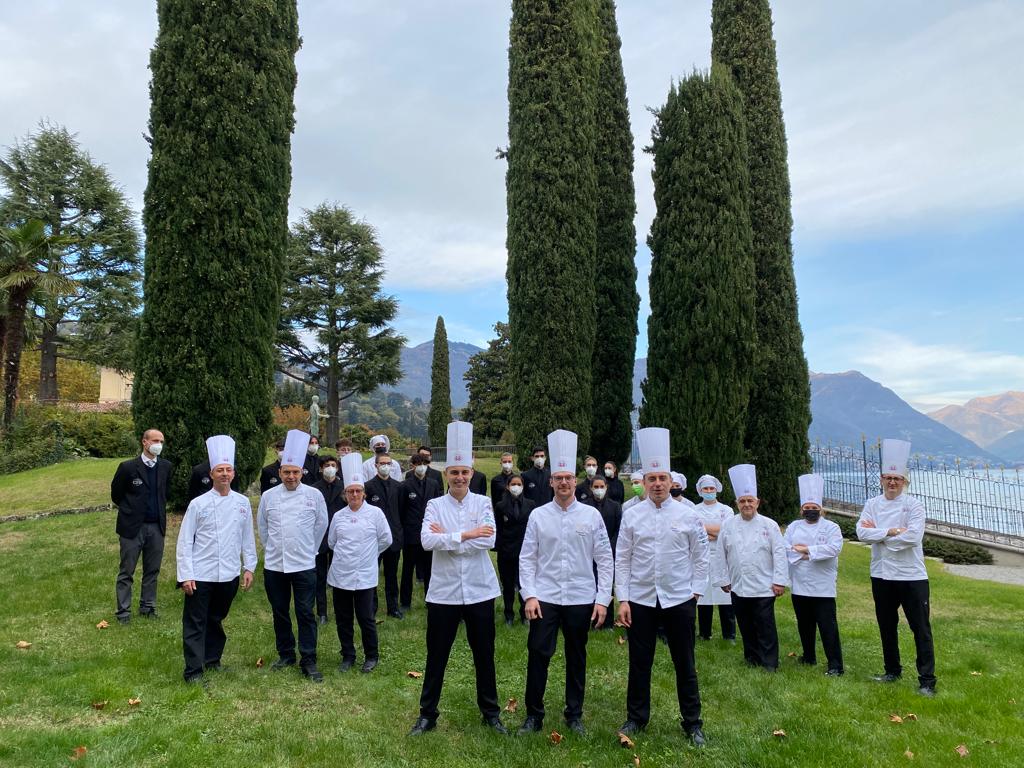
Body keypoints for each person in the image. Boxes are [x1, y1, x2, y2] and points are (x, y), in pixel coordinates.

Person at [409, 421, 507, 736]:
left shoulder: (483, 502)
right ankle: (427, 715)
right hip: (444, 592)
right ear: (446, 474)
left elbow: (489, 540)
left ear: (472, 473)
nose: (460, 477)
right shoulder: (435, 505)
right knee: (436, 655)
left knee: (485, 654)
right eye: (454, 472)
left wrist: (449, 537)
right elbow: (427, 541)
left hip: (480, 590)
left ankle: (491, 713)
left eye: (464, 472)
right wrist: (467, 534)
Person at [615, 427, 709, 747]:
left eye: (662, 478)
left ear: (671, 481)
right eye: (651, 478)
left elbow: (701, 556)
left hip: (679, 598)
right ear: (644, 482)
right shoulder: (631, 516)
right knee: (640, 662)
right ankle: (636, 717)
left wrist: (695, 591)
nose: (657, 484)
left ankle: (692, 723)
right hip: (641, 599)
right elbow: (622, 558)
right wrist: (623, 598)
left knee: (685, 663)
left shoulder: (688, 515)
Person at [517, 430, 613, 737]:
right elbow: (527, 558)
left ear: (575, 481)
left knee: (576, 656)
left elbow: (605, 560)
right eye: (558, 478)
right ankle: (533, 715)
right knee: (538, 654)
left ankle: (574, 714)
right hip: (545, 596)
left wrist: (602, 600)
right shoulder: (538, 516)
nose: (563, 483)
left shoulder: (591, 516)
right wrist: (530, 595)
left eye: (568, 478)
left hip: (580, 597)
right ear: (551, 482)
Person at [856, 439, 936, 696]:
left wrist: (879, 536)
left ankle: (927, 680)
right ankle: (892, 670)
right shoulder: (872, 504)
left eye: (897, 478)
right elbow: (861, 533)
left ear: (904, 481)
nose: (892, 482)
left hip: (911, 575)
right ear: (881, 479)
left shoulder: (914, 505)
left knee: (920, 628)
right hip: (881, 575)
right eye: (888, 478)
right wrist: (891, 531)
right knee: (886, 625)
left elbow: (913, 537)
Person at [176, 435, 257, 683]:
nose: (224, 474)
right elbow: (184, 541)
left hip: (229, 573)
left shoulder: (242, 503)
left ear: (233, 474)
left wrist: (249, 567)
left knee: (216, 618)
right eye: (220, 470)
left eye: (228, 470)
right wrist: (186, 575)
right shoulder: (198, 504)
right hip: (201, 573)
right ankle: (193, 671)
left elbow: (247, 537)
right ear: (211, 474)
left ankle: (212, 659)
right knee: (195, 622)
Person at [257, 429, 329, 682]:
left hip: (304, 563)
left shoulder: (314, 495)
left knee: (305, 612)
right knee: (279, 611)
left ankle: (308, 658)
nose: (291, 477)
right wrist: (273, 548)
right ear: (280, 473)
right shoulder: (268, 496)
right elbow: (263, 527)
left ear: (302, 473)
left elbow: (321, 525)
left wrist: (309, 548)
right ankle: (286, 653)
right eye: (286, 472)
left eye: (295, 472)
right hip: (275, 565)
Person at [716, 464, 788, 672]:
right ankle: (752, 657)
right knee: (745, 624)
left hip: (764, 585)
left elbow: (779, 554)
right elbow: (720, 554)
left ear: (757, 502)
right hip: (738, 585)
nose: (746, 504)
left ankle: (769, 662)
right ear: (736, 503)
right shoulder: (728, 525)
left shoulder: (769, 525)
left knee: (765, 625)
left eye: (750, 501)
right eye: (742, 501)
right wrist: (723, 579)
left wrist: (779, 581)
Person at [328, 452, 392, 673]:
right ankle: (348, 655)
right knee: (343, 619)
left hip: (365, 575)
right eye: (350, 491)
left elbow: (386, 539)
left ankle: (371, 655)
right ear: (345, 494)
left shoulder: (376, 514)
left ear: (364, 493)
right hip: (341, 575)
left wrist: (370, 553)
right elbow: (332, 542)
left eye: (358, 491)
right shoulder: (338, 516)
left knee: (366, 618)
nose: (354, 494)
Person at [111, 428, 172, 624]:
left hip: (156, 527)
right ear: (144, 442)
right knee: (126, 571)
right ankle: (123, 612)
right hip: (132, 528)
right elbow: (116, 495)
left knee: (152, 570)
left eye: (161, 441)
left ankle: (148, 607)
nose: (158, 445)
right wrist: (131, 511)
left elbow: (166, 493)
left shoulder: (165, 467)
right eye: (155, 440)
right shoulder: (128, 467)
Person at [785, 473, 844, 676]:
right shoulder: (793, 527)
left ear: (821, 509)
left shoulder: (831, 527)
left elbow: (833, 549)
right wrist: (810, 553)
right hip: (799, 583)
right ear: (802, 509)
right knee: (804, 624)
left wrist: (805, 550)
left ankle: (835, 665)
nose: (810, 510)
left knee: (828, 627)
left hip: (823, 586)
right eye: (807, 507)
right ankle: (808, 656)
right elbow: (786, 549)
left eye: (814, 507)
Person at [693, 474, 736, 642]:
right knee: (704, 596)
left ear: (717, 489)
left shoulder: (726, 510)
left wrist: (705, 529)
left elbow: (727, 531)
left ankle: (729, 634)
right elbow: (694, 531)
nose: (709, 491)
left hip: (722, 557)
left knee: (725, 596)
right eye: (706, 488)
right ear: (700, 490)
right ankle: (704, 633)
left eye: (712, 488)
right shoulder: (694, 510)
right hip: (701, 556)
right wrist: (715, 532)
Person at [399, 453, 443, 611]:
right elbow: (401, 510)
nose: (421, 466)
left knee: (430, 569)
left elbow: (438, 507)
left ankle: (430, 599)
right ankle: (405, 602)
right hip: (411, 534)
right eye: (418, 463)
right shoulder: (405, 486)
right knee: (408, 569)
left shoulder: (433, 484)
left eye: (424, 463)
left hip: (429, 533)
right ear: (413, 465)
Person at [364, 451, 405, 619]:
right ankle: (371, 607)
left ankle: (393, 607)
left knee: (391, 574)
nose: (385, 466)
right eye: (382, 463)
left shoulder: (399, 486)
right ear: (376, 465)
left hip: (394, 536)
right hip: (374, 538)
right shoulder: (368, 487)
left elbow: (402, 511)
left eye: (389, 463)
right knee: (372, 573)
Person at [495, 474, 534, 626]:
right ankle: (508, 615)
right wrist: (500, 547)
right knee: (508, 585)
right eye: (513, 484)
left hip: (525, 551)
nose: (516, 487)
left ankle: (525, 614)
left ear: (523, 486)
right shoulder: (500, 506)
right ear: (507, 486)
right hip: (506, 551)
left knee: (524, 584)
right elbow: (498, 528)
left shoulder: (530, 505)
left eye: (519, 484)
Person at [583, 475, 622, 630]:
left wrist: (609, 547)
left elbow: (618, 530)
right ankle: (590, 618)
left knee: (606, 584)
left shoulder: (615, 506)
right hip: (588, 553)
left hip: (608, 551)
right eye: (596, 487)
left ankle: (607, 622)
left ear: (606, 487)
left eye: (601, 487)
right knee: (590, 583)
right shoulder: (584, 507)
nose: (599, 490)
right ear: (591, 488)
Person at [313, 455, 347, 625]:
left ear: (338, 468)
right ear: (321, 469)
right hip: (320, 537)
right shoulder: (314, 489)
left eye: (333, 465)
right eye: (327, 465)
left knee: (338, 575)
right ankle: (322, 612)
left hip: (339, 537)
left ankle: (340, 609)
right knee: (319, 577)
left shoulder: (344, 487)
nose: (330, 468)